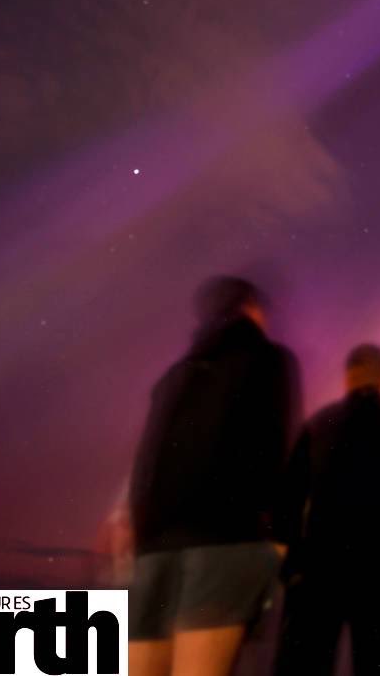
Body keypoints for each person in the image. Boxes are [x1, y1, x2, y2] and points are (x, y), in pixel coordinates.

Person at [127, 276, 301, 676]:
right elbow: (276, 449)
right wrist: (282, 536)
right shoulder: (268, 359)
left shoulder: (175, 375)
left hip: (155, 549)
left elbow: (148, 461)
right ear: (250, 309)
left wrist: (141, 537)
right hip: (226, 539)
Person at [274, 344, 380, 676]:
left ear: (347, 376)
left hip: (320, 562)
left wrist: (290, 559)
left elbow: (289, 497)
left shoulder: (319, 425)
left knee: (307, 661)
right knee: (378, 660)